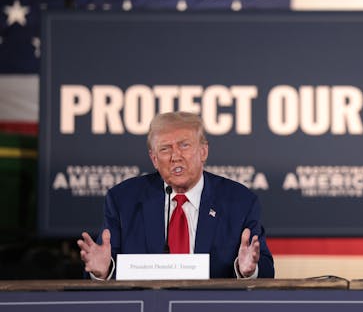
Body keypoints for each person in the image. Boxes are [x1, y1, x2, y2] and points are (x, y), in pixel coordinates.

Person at [77, 111, 274, 279]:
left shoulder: (239, 201)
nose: (175, 156)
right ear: (154, 159)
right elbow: (101, 266)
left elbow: (266, 270)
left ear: (203, 151)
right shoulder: (124, 200)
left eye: (184, 145)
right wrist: (104, 271)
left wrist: (247, 270)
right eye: (165, 149)